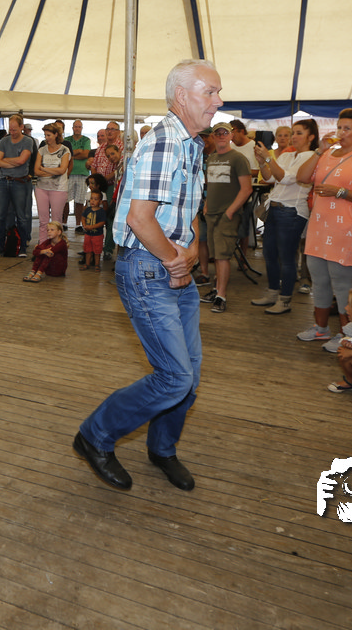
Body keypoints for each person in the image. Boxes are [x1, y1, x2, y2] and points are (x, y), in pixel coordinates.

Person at [74, 59, 221, 493]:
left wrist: (190, 250)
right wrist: (176, 260)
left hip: (172, 264)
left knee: (188, 375)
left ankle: (162, 448)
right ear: (182, 96)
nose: (219, 101)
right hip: (148, 268)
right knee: (175, 376)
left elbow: (189, 211)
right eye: (210, 92)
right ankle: (95, 436)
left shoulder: (192, 144)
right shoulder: (165, 143)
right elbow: (139, 219)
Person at [296, 107, 352, 348]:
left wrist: (341, 192)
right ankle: (321, 329)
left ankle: (348, 336)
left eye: (347, 128)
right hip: (319, 228)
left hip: (348, 230)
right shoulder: (326, 154)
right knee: (319, 280)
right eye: (339, 127)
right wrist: (318, 151)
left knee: (342, 284)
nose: (341, 132)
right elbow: (302, 177)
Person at [251, 118, 318, 314]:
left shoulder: (310, 157)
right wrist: (262, 162)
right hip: (276, 208)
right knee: (269, 254)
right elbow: (270, 177)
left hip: (292, 211)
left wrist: (269, 158)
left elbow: (285, 178)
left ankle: (285, 299)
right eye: (293, 132)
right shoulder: (288, 155)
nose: (293, 137)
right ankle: (273, 293)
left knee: (287, 258)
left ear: (311, 137)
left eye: (299, 133)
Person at [200, 122, 252, 314]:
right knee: (216, 255)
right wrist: (207, 204)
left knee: (222, 257)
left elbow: (246, 189)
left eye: (225, 133)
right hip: (212, 214)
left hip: (227, 216)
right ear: (213, 137)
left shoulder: (238, 158)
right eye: (218, 133)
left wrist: (230, 211)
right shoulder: (212, 158)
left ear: (231, 136)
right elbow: (211, 185)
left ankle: (221, 296)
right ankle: (216, 289)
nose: (221, 136)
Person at [0, 115, 37, 258]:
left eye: (15, 129)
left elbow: (22, 161)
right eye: (10, 129)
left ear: (22, 127)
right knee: (0, 216)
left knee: (21, 216)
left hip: (20, 182)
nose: (12, 132)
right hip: (3, 181)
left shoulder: (28, 141)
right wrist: (13, 162)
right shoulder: (4, 141)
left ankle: (23, 246)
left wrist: (6, 160)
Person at [34, 123, 72, 243]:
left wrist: (43, 169)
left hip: (59, 188)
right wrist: (53, 171)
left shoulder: (65, 150)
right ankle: (43, 244)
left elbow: (62, 170)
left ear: (56, 134)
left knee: (56, 220)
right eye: (45, 135)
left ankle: (56, 246)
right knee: (43, 221)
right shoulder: (41, 150)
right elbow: (36, 171)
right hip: (41, 188)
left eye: (49, 135)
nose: (46, 138)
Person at [66, 119, 92, 232]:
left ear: (82, 128)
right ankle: (64, 223)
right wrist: (78, 151)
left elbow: (86, 154)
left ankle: (78, 224)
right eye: (75, 126)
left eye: (79, 127)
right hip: (69, 173)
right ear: (72, 128)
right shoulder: (67, 140)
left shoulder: (86, 139)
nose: (77, 128)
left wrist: (72, 155)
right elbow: (65, 154)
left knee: (80, 201)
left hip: (83, 174)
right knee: (65, 200)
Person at [81, 191, 105, 271]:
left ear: (100, 201)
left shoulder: (101, 211)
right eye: (91, 198)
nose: (93, 201)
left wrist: (92, 227)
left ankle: (97, 264)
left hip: (97, 235)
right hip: (88, 234)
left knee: (97, 251)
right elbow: (83, 217)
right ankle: (87, 263)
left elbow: (102, 222)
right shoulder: (87, 210)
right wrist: (84, 225)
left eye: (96, 199)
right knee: (88, 250)